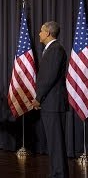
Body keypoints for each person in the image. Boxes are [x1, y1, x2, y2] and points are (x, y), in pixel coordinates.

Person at [32, 21, 69, 178]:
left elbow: (49, 78)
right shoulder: (50, 50)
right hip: (50, 103)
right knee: (53, 143)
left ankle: (59, 174)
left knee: (56, 143)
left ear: (48, 33)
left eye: (41, 31)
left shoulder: (55, 49)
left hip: (53, 103)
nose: (39, 33)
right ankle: (56, 173)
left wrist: (38, 98)